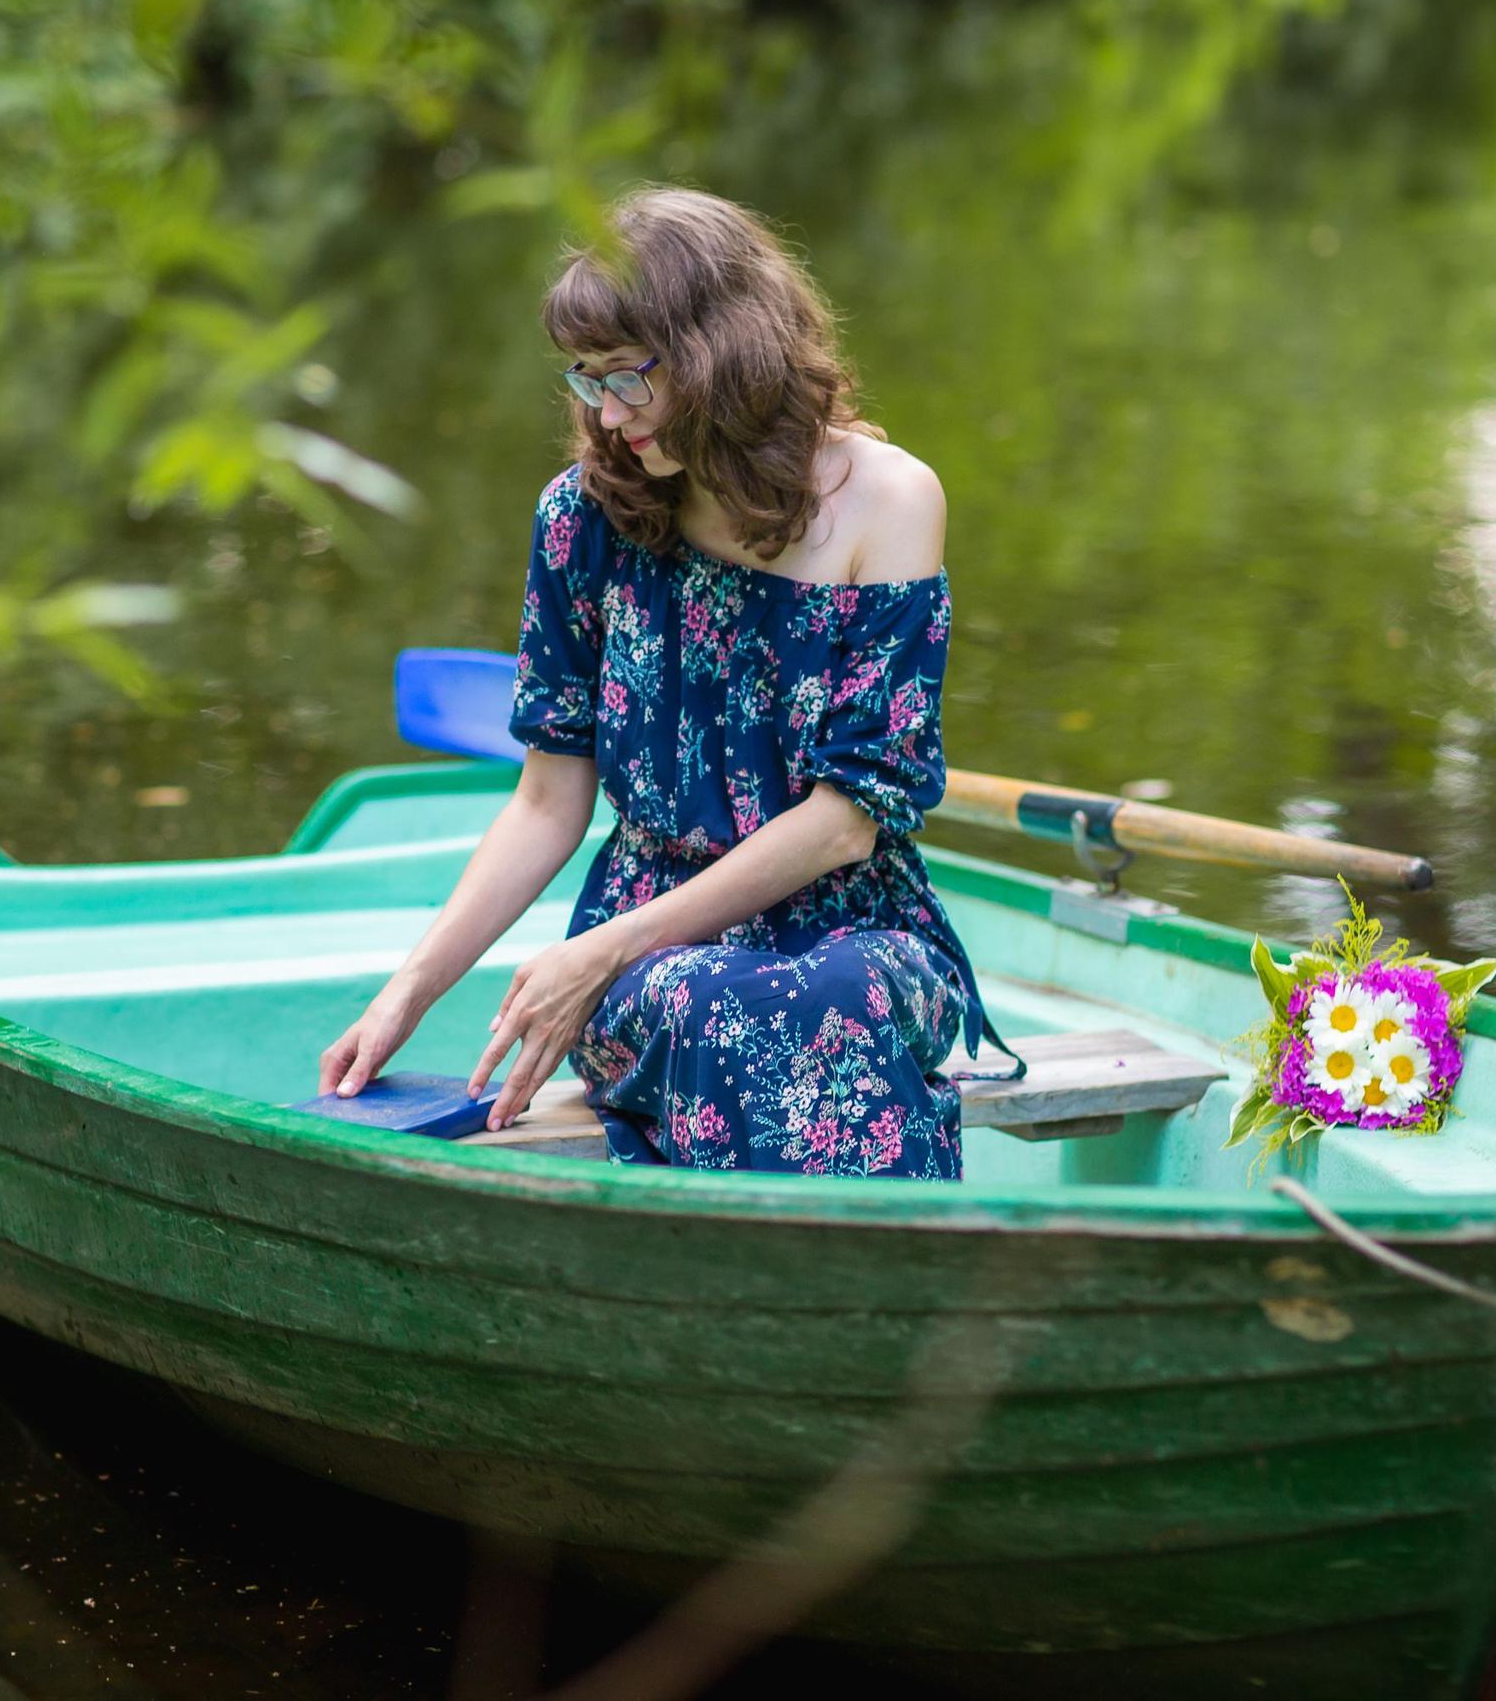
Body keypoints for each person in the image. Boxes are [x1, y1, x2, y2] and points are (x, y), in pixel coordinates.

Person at [316, 185, 1014, 1179]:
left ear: (720, 351)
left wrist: (602, 951)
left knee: (830, 1000)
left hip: (860, 930)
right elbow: (548, 803)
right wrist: (411, 990)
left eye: (626, 378)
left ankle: (840, 1290)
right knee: (703, 998)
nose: (604, 411)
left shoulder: (889, 502)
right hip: (650, 950)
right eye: (585, 379)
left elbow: (849, 819)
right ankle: (836, 1292)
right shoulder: (579, 520)